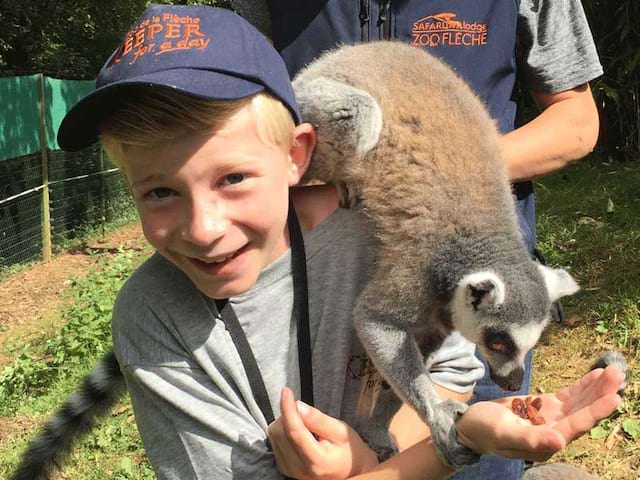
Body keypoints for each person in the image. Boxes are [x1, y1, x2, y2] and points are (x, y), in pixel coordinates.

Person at [54, 4, 622, 480]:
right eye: (159, 192)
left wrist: (402, 446)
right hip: (348, 163)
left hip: (422, 219)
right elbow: (253, 93)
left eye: (230, 180)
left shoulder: (406, 247)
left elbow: (576, 119)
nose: (204, 225)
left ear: (295, 154)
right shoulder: (156, 311)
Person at [229, 1, 603, 477]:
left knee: (461, 447)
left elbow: (578, 118)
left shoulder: (470, 269)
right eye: (506, 351)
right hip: (305, 288)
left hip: (450, 287)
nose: (509, 372)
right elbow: (243, 114)